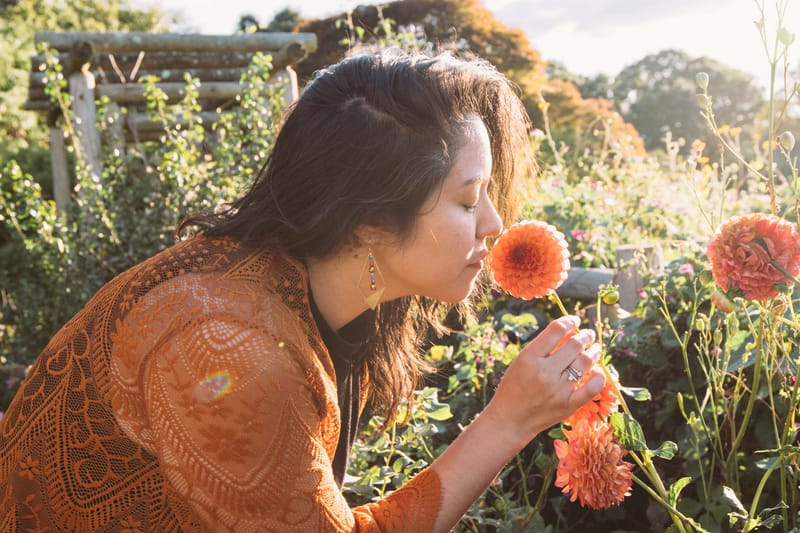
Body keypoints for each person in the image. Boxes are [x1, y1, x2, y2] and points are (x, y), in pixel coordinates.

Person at [0, 49, 604, 532]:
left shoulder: (318, 296)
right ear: (367, 221)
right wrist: (506, 422)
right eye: (468, 199)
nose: (496, 223)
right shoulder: (229, 352)